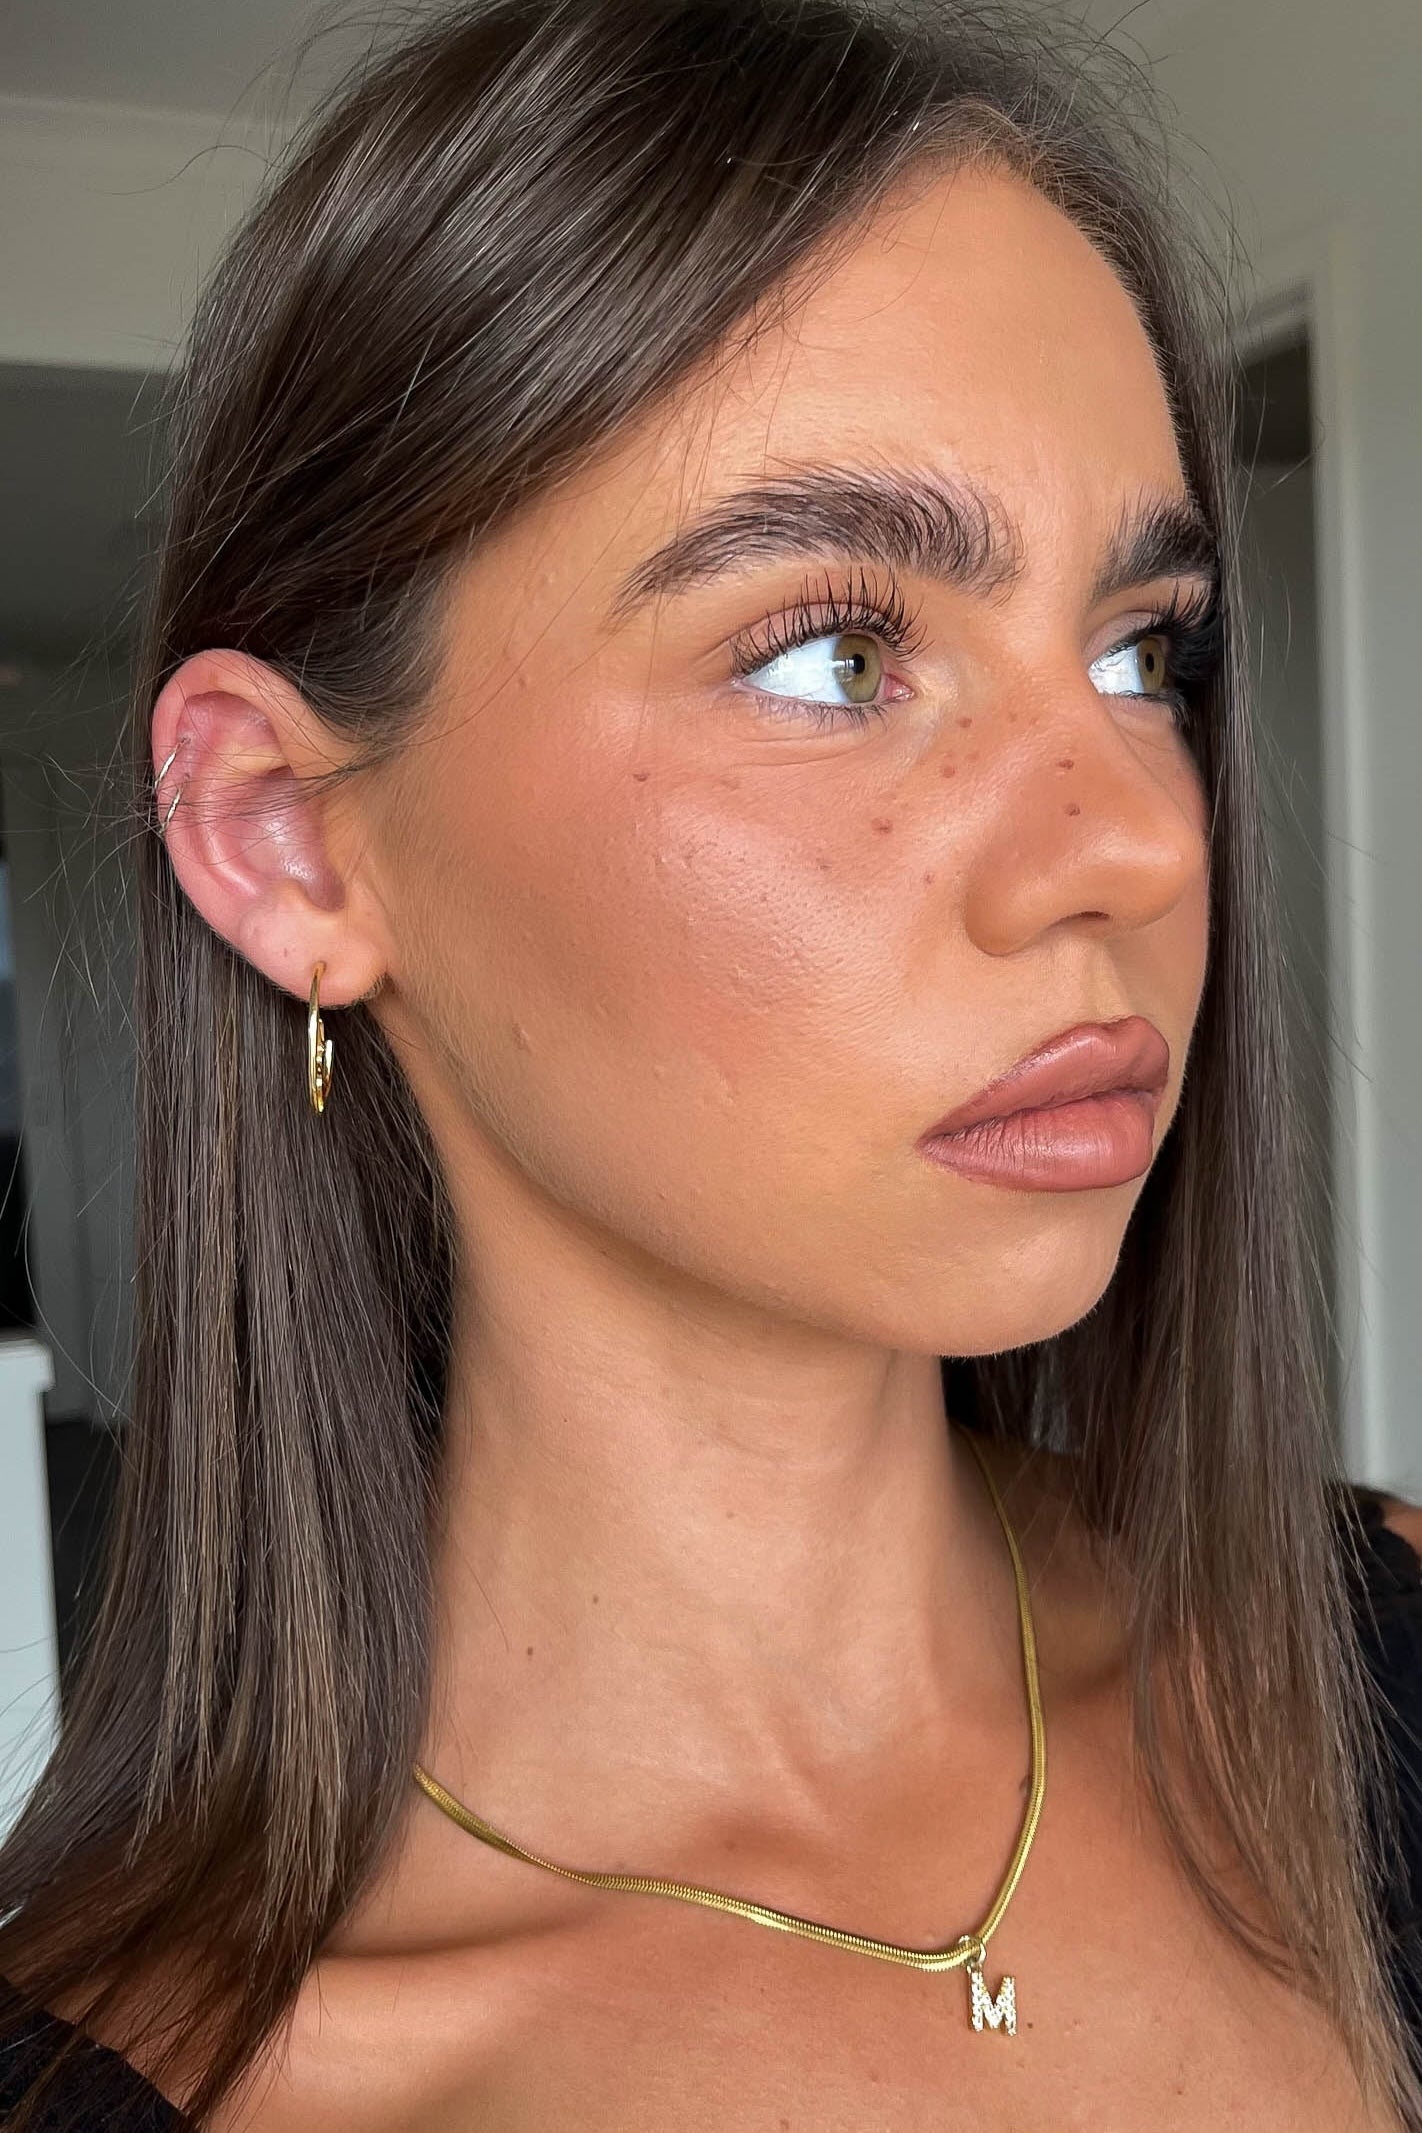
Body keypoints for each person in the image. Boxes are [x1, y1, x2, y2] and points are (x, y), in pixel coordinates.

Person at [0, 0, 1420, 2124]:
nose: (1134, 834)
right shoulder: (156, 2075)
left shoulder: (1379, 1659)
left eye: (1145, 651)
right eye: (839, 654)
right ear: (288, 840)